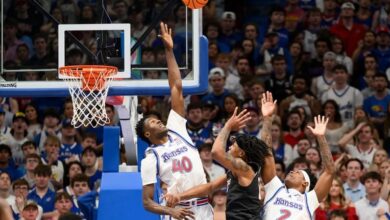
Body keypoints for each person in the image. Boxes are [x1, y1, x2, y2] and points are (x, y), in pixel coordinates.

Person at [135, 22, 213, 219]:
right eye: (153, 122)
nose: (159, 122)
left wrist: (169, 51)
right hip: (177, 211)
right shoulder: (150, 158)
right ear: (147, 134)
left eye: (158, 120)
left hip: (203, 207)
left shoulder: (176, 129)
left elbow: (176, 86)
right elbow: (146, 202)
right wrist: (170, 211)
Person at [261, 93, 335, 219]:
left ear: (305, 183)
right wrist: (268, 118)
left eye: (298, 173)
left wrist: (321, 138)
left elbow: (329, 171)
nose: (292, 172)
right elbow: (266, 153)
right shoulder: (275, 188)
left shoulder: (310, 199)